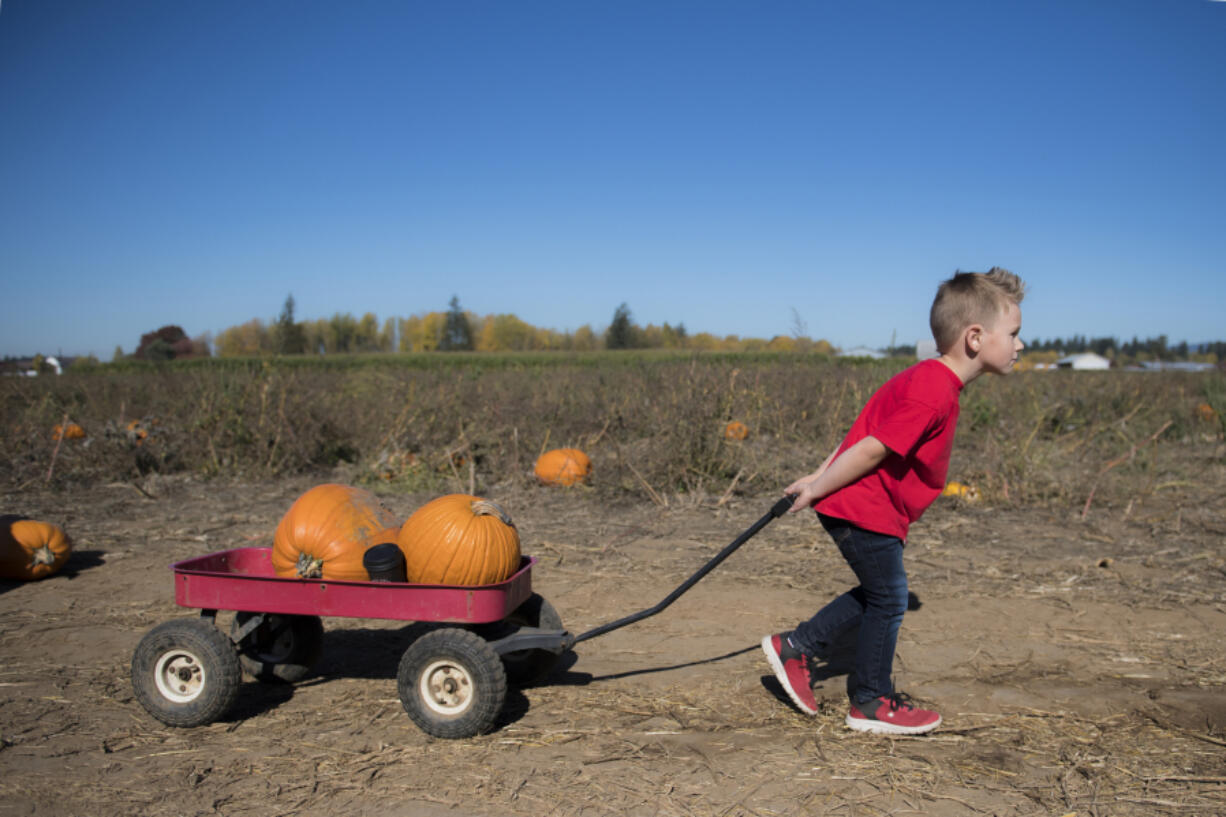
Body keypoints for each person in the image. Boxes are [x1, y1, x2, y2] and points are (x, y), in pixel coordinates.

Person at [761, 267, 1026, 736]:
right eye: (1015, 333)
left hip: (866, 506)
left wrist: (820, 475)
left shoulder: (927, 379)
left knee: (882, 593)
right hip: (864, 509)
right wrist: (818, 487)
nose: (1021, 345)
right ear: (975, 337)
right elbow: (871, 449)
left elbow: (864, 433)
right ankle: (869, 699)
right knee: (890, 597)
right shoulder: (935, 393)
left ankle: (796, 646)